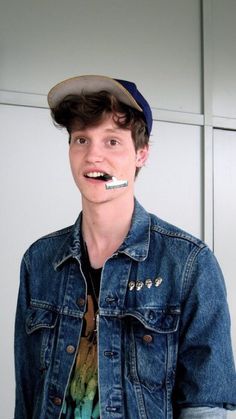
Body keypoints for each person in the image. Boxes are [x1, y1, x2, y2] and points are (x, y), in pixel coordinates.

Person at [14, 75, 236, 419]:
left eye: (112, 141)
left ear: (141, 154)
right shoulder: (39, 261)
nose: (93, 156)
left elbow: (206, 407)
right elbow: (28, 397)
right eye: (81, 139)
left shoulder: (190, 264)